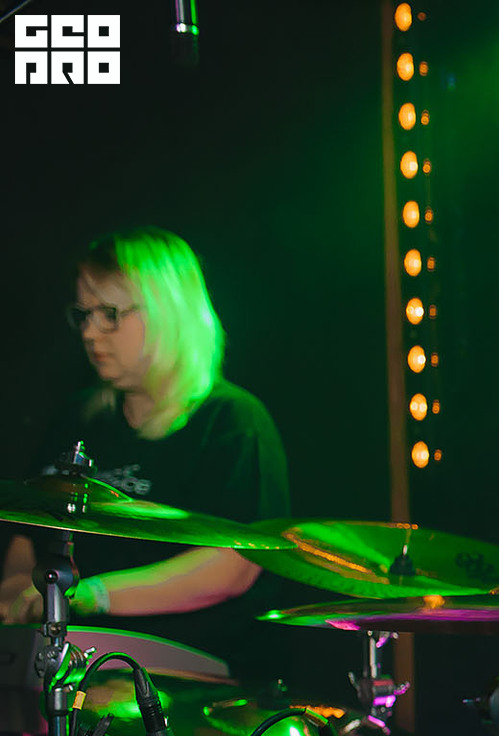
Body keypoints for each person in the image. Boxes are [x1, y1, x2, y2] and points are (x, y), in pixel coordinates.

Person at [0, 227, 290, 675]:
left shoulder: (232, 422)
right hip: (76, 666)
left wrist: (95, 595)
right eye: (84, 315)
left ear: (166, 314)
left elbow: (234, 566)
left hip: (191, 680)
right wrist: (17, 590)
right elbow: (28, 534)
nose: (90, 332)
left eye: (110, 314)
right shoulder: (78, 419)